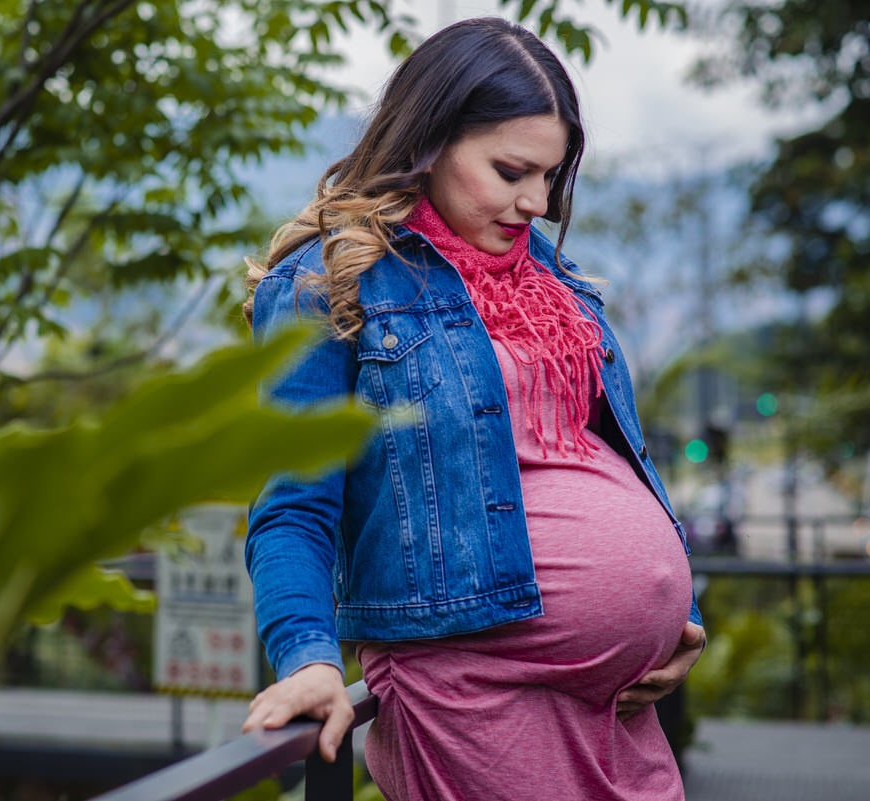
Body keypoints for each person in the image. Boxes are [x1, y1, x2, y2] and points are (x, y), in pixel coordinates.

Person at [239, 17, 706, 801]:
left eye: (551, 177)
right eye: (512, 170)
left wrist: (674, 607)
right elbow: (290, 506)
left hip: (620, 702)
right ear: (430, 141)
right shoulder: (329, 284)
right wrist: (310, 658)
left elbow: (609, 455)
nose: (536, 200)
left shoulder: (554, 282)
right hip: (474, 688)